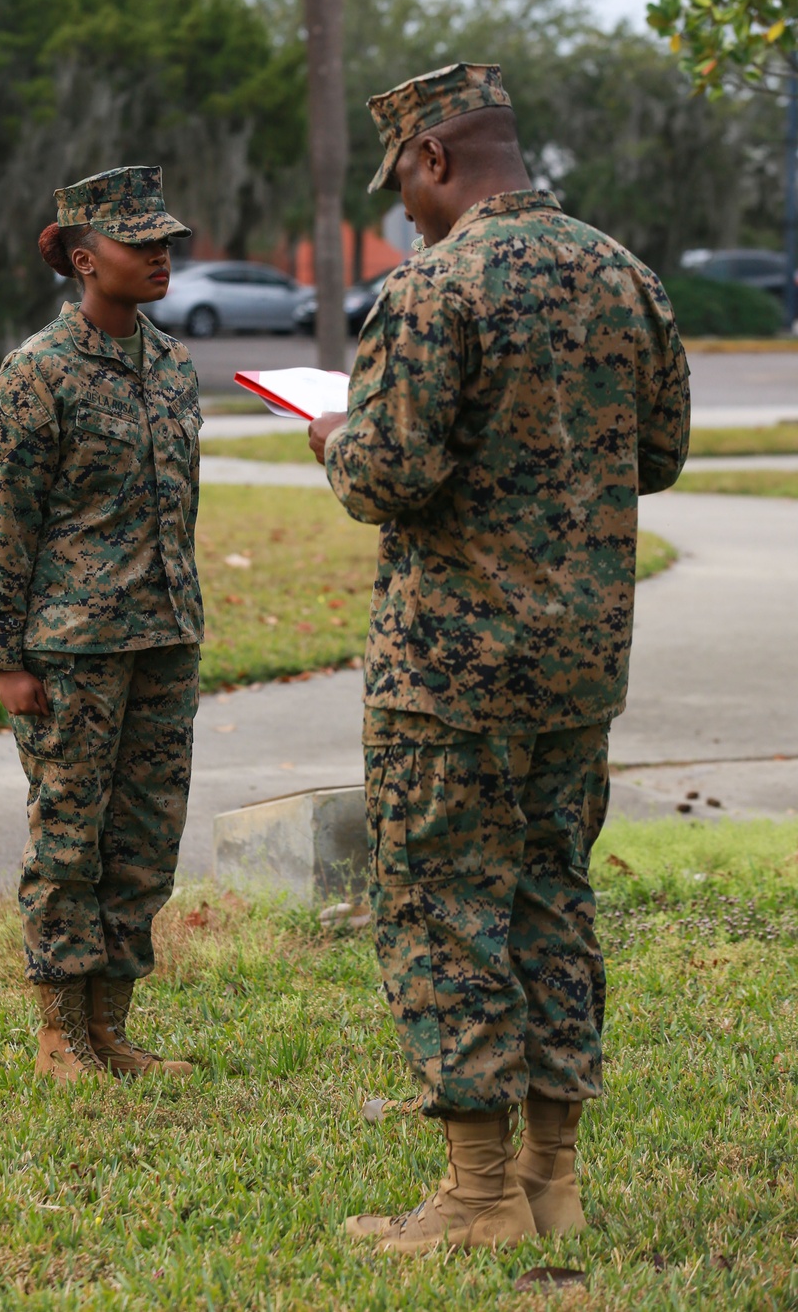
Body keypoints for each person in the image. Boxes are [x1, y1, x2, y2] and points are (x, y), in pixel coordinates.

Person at [308, 63, 689, 1255]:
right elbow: (663, 454)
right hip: (580, 669)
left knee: (441, 910)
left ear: (434, 160)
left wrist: (332, 433)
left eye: (402, 185)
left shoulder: (438, 285)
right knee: (551, 898)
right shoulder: (623, 275)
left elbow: (389, 476)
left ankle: (477, 1199)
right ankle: (551, 1177)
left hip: (451, 671)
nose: (401, 211)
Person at [0, 166, 203, 1086]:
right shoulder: (39, 372)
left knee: (144, 840)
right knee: (70, 838)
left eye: (164, 241)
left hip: (166, 637)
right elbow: (0, 522)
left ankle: (112, 1027)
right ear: (81, 256)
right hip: (72, 648)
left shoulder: (172, 364)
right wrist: (4, 656)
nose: (159, 256)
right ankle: (60, 1033)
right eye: (139, 242)